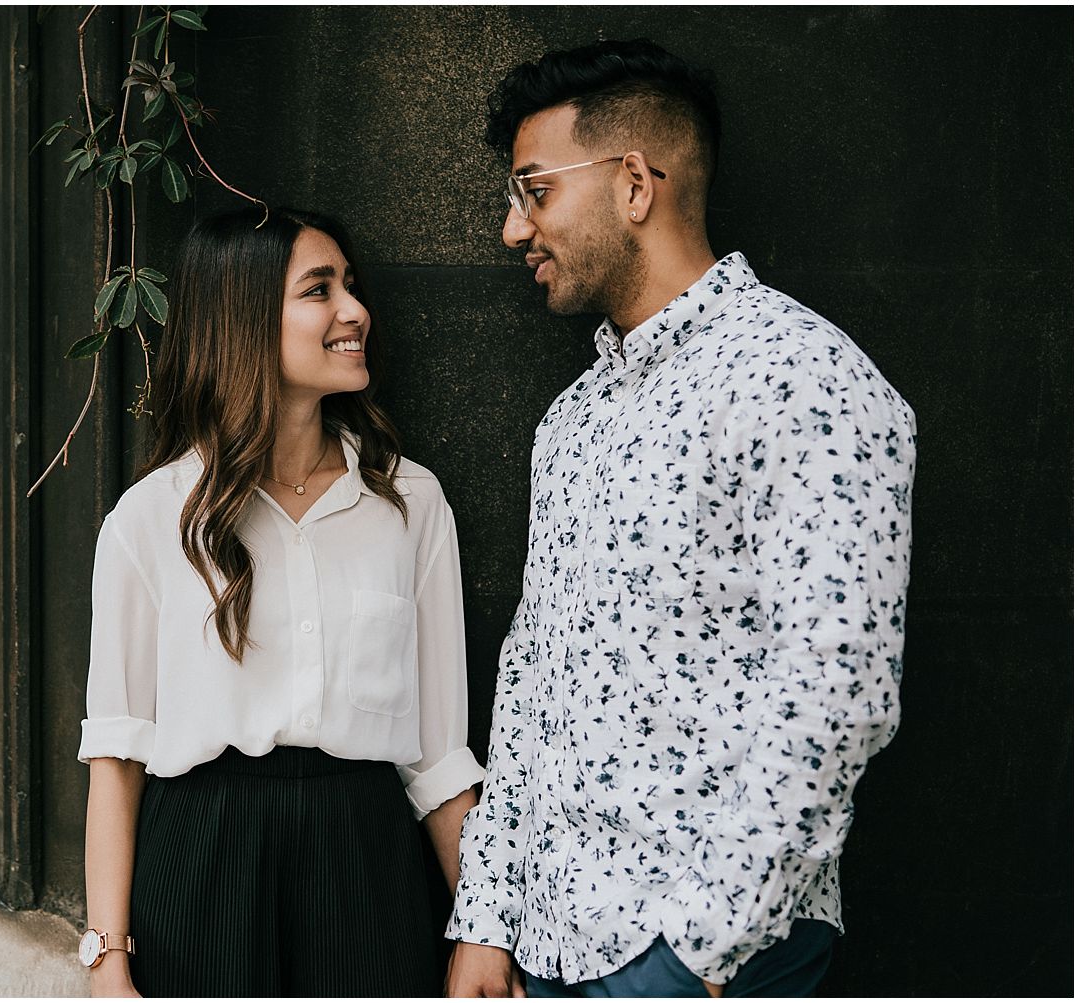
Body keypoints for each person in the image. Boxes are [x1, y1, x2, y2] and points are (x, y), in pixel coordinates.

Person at [445, 39, 916, 998]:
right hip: (548, 949)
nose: (511, 228)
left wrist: (697, 956)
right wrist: (488, 919)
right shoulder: (571, 420)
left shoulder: (803, 378)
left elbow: (839, 689)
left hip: (713, 961)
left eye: (533, 190)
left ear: (632, 183)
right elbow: (533, 676)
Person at [77, 207, 484, 997]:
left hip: (366, 867)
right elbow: (117, 760)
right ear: (244, 316)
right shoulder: (152, 518)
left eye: (351, 287)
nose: (354, 311)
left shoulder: (410, 503)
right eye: (318, 290)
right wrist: (108, 956)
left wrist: (483, 930)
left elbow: (439, 758)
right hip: (201, 862)